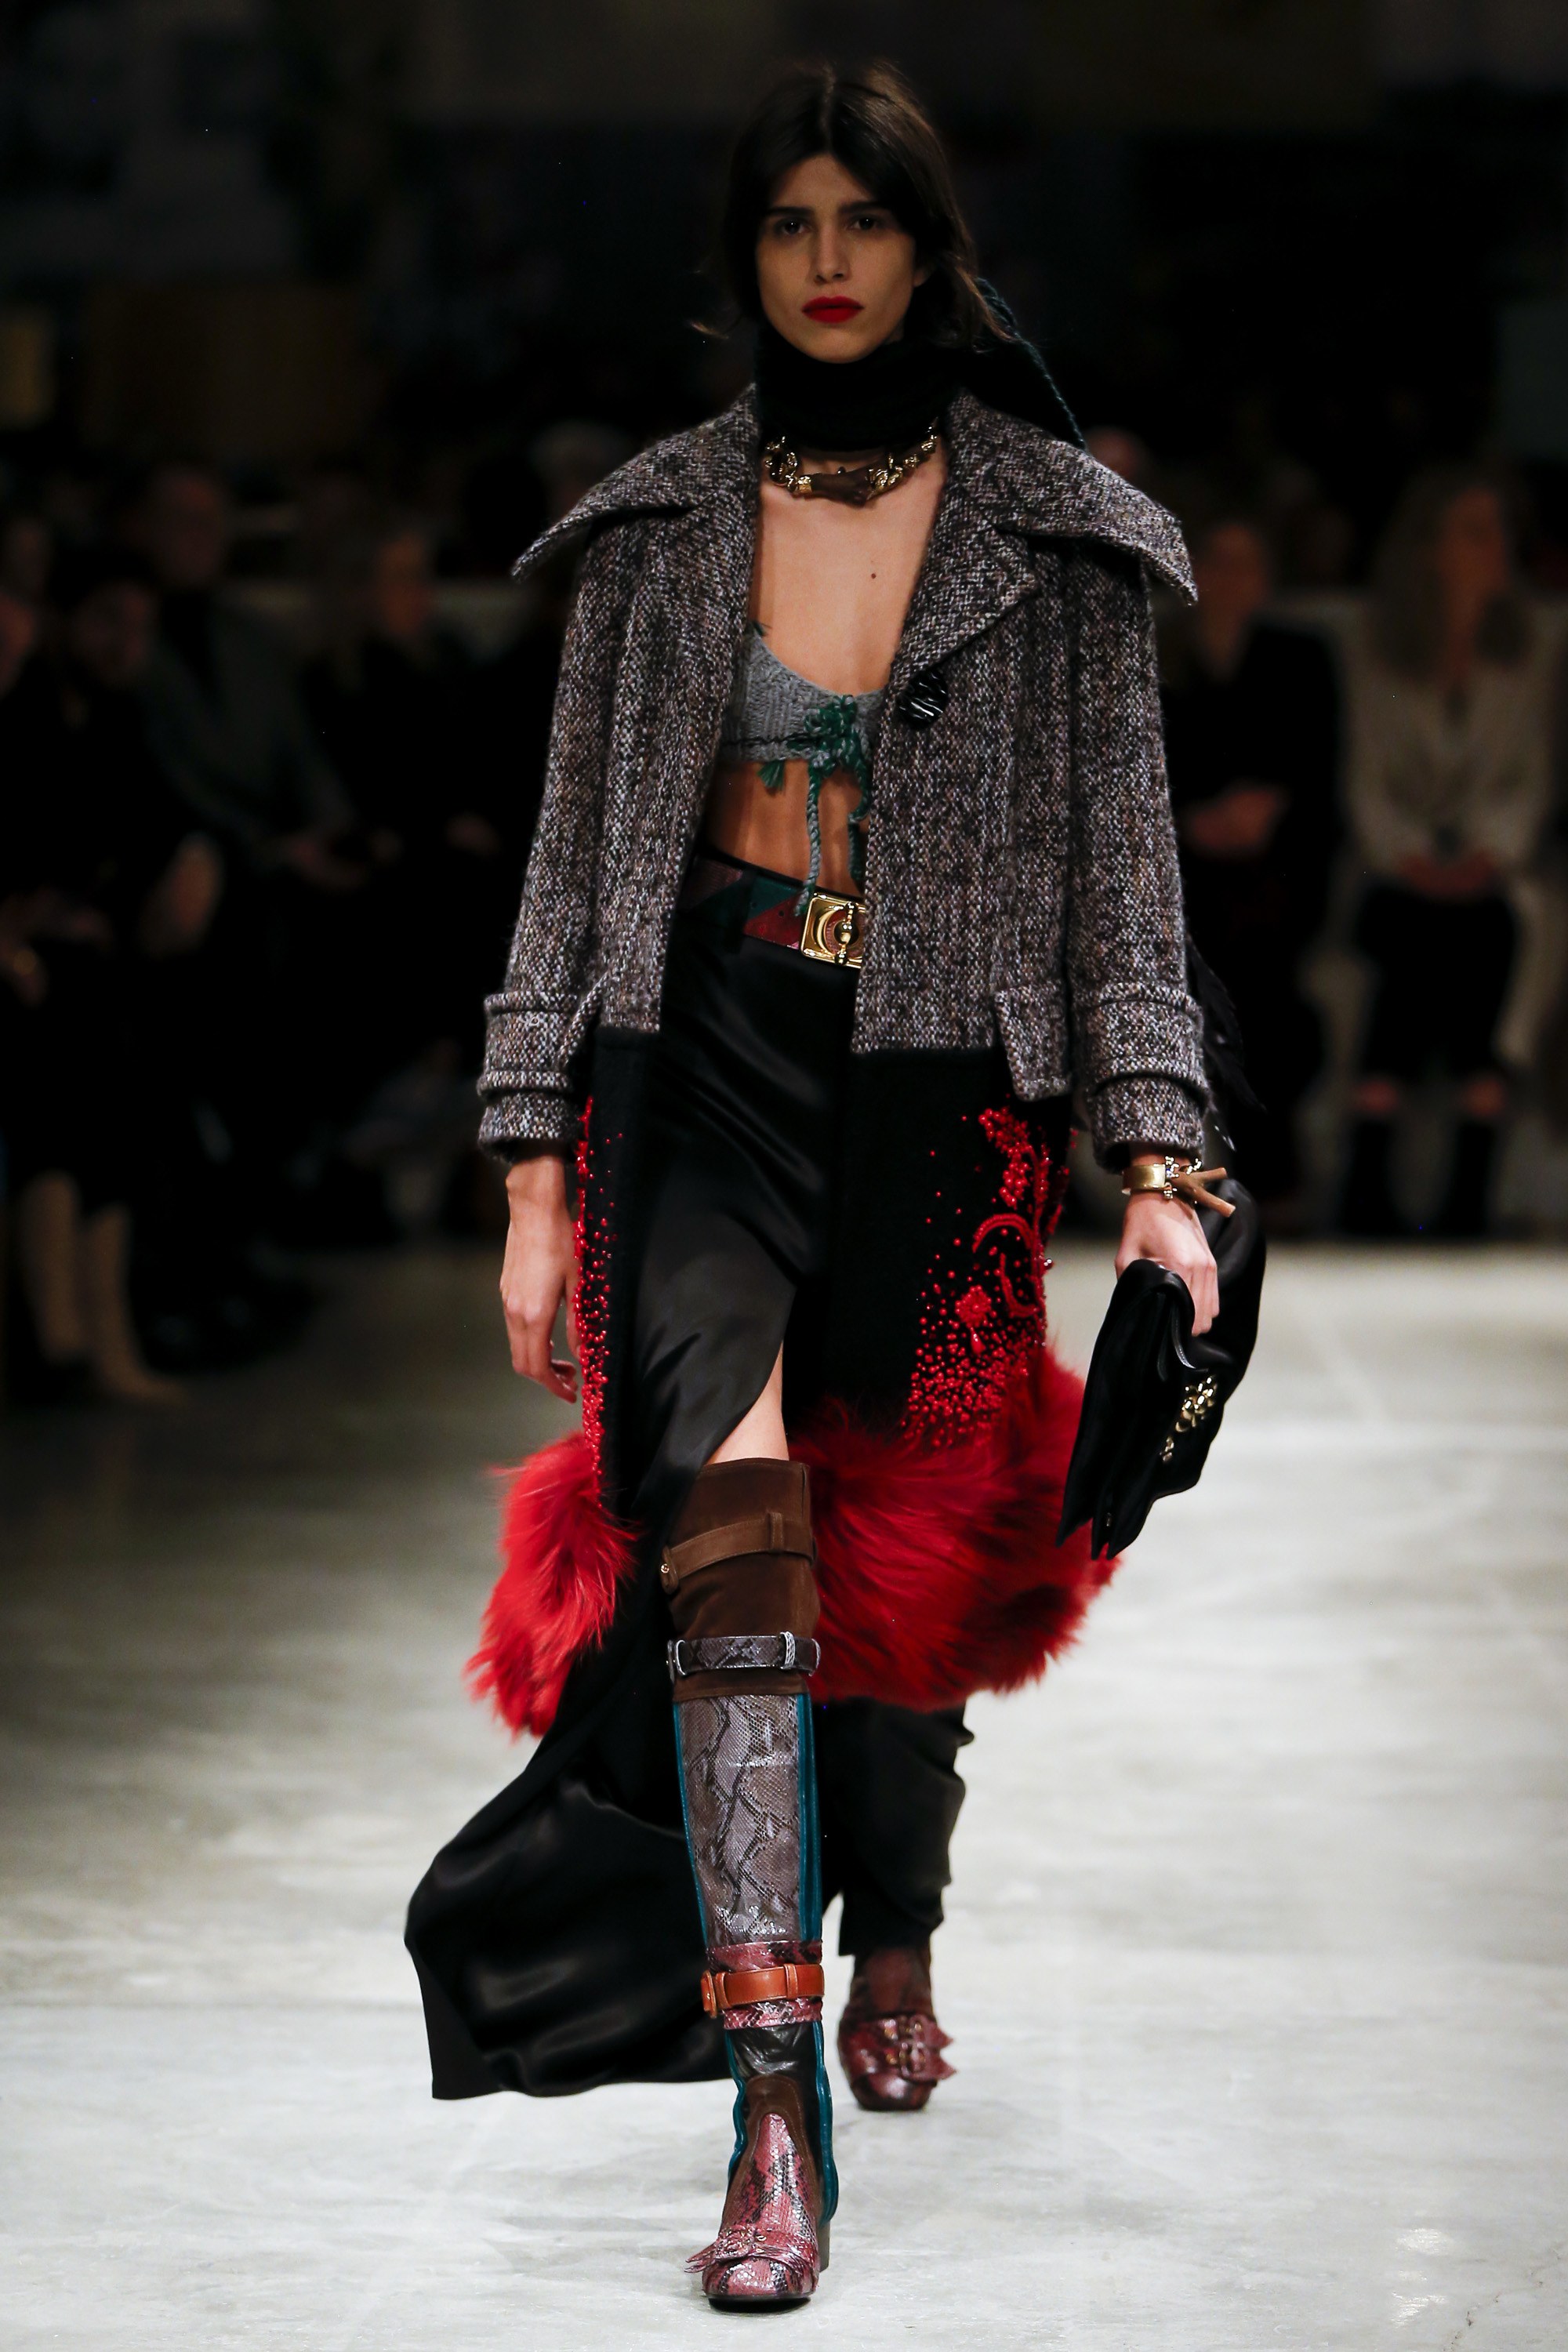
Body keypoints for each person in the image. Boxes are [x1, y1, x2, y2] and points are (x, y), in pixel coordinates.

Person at [406, 64, 1218, 2310]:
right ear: (743, 253)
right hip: (700, 1072)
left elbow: (1125, 890)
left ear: (930, 246)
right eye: (788, 222)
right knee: (741, 1545)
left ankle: (906, 1916)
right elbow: (570, 864)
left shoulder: (1057, 543)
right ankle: (775, 2112)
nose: (828, 259)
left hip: (949, 1099)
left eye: (865, 218)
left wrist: (1164, 1164)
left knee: (911, 1584)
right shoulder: (656, 530)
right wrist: (529, 1169)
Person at [1340, 469, 1560, 1237]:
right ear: (1430, 548)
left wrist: (1485, 856)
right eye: (1475, 531)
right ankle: (1420, 1170)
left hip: (1492, 873)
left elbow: (1530, 778)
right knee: (1417, 926)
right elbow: (1366, 777)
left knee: (1486, 928)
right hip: (1394, 871)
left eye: (1499, 531)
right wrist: (1410, 858)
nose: (1496, 548)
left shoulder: (1530, 651)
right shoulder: (1378, 646)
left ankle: (1407, 1165)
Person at [1161, 514, 1339, 1212]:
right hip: (1184, 861)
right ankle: (1246, 1167)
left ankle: (1266, 1163)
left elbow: (1320, 768)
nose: (1232, 579)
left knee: (1262, 957)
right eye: (1219, 561)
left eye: (1248, 563)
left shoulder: (1302, 657)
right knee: (1218, 943)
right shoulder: (1160, 653)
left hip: (1280, 862)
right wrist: (1192, 821)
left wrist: (1266, 812)